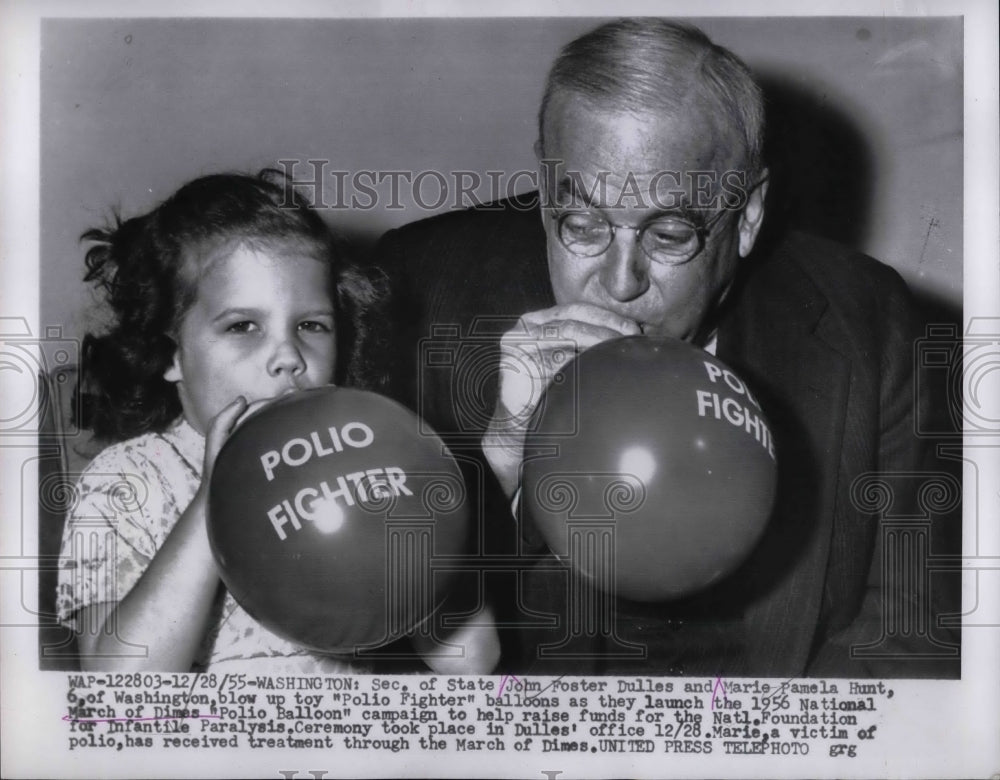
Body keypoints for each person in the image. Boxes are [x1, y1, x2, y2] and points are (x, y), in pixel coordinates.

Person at [371, 19, 960, 677]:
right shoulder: (419, 295)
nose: (620, 282)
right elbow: (360, 648)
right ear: (543, 190)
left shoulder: (870, 323)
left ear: (750, 215)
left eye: (670, 234)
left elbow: (906, 639)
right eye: (583, 224)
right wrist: (499, 458)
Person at [56, 170, 499, 674]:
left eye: (311, 325)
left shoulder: (353, 460)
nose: (288, 355)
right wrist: (214, 498)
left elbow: (472, 663)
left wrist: (421, 514)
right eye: (244, 326)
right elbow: (116, 689)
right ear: (169, 352)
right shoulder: (128, 479)